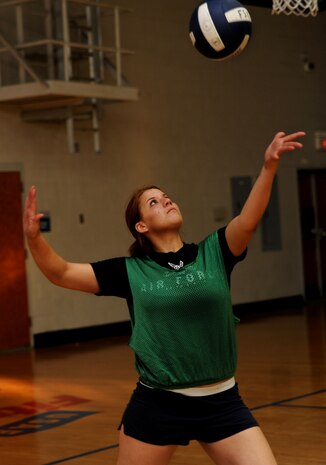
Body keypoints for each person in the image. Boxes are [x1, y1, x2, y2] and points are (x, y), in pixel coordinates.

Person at [23, 131, 305, 465]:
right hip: (159, 404)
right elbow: (62, 273)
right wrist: (34, 239)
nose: (166, 201)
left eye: (166, 196)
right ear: (140, 226)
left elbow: (249, 218)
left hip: (222, 401)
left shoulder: (214, 252)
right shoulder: (130, 271)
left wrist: (268, 167)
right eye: (154, 202)